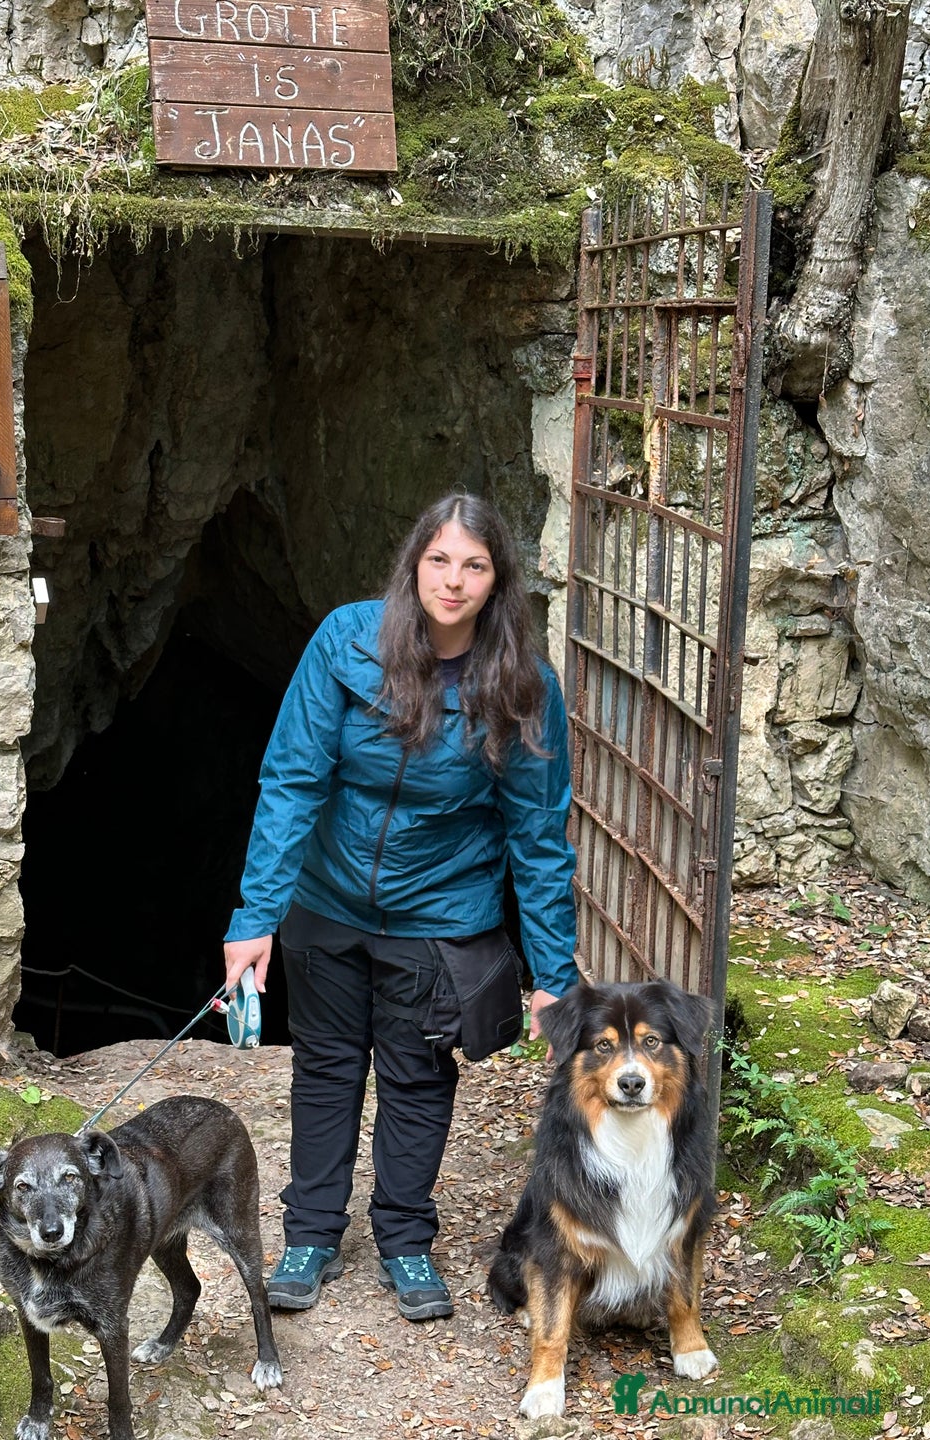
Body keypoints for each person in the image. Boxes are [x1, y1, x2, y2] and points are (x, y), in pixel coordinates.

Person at [223, 492, 579, 1323]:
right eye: (439, 561)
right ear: (414, 564)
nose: (453, 581)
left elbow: (537, 836)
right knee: (325, 1067)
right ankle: (309, 1234)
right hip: (330, 901)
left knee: (417, 1078)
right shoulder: (346, 640)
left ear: (497, 582)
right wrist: (255, 917)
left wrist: (552, 975)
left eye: (474, 566)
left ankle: (406, 1241)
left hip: (440, 914)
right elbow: (292, 779)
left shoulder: (522, 681)